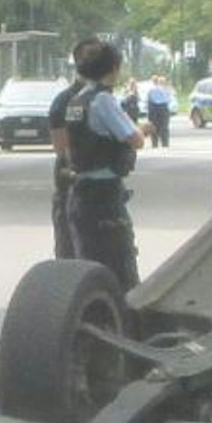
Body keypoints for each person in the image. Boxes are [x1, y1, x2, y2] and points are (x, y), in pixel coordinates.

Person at [62, 42, 146, 289]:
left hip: (79, 192)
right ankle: (123, 323)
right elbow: (135, 139)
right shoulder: (103, 101)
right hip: (104, 196)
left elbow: (69, 147)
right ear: (113, 68)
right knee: (120, 268)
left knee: (90, 267)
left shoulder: (76, 101)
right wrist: (143, 129)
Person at [47, 37, 105, 259]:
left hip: (101, 192)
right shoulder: (66, 101)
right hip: (74, 190)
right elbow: (63, 151)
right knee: (71, 257)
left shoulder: (104, 96)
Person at [144, 74, 174, 148]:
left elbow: (147, 99)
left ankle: (155, 143)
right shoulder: (166, 89)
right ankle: (165, 143)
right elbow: (169, 99)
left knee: (154, 126)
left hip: (154, 108)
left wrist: (147, 108)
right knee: (164, 126)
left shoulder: (150, 88)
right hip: (163, 108)